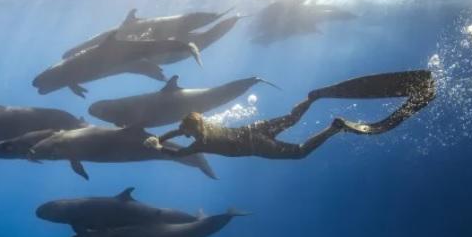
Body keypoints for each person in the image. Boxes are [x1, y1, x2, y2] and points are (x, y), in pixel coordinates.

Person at [144, 70, 435, 159]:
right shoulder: (204, 125)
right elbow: (179, 133)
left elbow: (175, 154)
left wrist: (158, 145)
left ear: (191, 130)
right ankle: (312, 98)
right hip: (255, 129)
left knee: (298, 153)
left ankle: (335, 127)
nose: (185, 135)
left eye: (186, 132)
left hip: (258, 146)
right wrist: (161, 137)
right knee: (292, 116)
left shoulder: (200, 143)